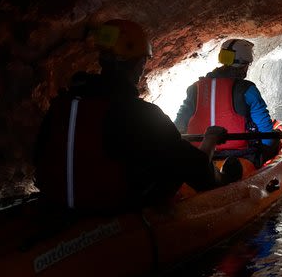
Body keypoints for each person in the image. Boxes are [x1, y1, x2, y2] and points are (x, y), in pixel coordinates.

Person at [33, 18, 234, 212]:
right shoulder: (141, 114)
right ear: (139, 65)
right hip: (113, 209)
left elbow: (38, 157)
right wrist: (210, 140)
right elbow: (198, 173)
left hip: (58, 205)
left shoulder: (63, 104)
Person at [174, 39, 280, 168]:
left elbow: (178, 126)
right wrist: (271, 144)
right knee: (274, 139)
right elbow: (266, 132)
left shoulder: (194, 88)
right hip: (241, 154)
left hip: (201, 153)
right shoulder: (248, 89)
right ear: (244, 64)